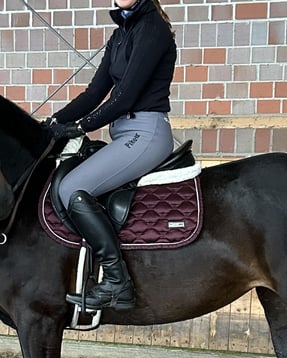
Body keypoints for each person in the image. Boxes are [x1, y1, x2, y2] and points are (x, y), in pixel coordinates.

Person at [44, 0, 177, 311]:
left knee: (73, 190)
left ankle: (117, 282)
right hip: (124, 134)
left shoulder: (152, 29)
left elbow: (124, 97)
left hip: (147, 133)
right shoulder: (120, 35)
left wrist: (80, 127)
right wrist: (53, 122)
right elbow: (93, 93)